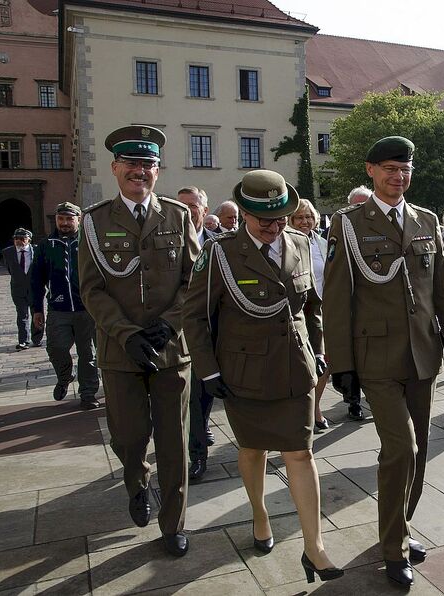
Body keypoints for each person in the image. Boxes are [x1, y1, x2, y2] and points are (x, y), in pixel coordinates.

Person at [323, 136, 444, 587]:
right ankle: (393, 549)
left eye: (405, 169)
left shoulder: (426, 220)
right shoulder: (348, 223)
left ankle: (400, 528)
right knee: (401, 449)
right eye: (389, 168)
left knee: (420, 452)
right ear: (370, 171)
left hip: (423, 353)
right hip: (375, 356)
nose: (398, 177)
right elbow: (336, 298)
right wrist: (342, 363)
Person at [183, 170, 342, 582]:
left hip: (294, 367)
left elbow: (312, 307)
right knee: (253, 451)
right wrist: (208, 369)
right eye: (264, 222)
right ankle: (259, 514)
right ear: (247, 214)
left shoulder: (303, 244)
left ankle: (315, 547)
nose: (274, 228)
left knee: (301, 453)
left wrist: (319, 350)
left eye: (281, 220)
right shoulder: (218, 253)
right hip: (243, 371)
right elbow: (195, 316)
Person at [78, 125, 199, 557]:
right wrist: (127, 335)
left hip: (170, 352)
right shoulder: (94, 222)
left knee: (174, 442)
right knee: (129, 437)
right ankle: (136, 481)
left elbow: (192, 280)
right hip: (120, 351)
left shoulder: (178, 216)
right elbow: (92, 290)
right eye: (131, 164)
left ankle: (174, 522)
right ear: (115, 168)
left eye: (147, 165)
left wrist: (169, 324)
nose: (139, 171)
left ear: (157, 171)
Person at [30, 202, 100, 409]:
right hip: (58, 308)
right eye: (61, 219)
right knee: (56, 348)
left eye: (69, 218)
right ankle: (64, 376)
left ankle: (88, 393)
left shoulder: (88, 242)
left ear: (78, 219)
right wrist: (36, 309)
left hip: (86, 308)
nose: (65, 223)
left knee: (88, 354)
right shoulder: (46, 245)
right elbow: (36, 279)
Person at [176, 186, 218, 481]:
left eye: (192, 206)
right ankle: (190, 453)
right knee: (182, 401)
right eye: (181, 206)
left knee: (202, 398)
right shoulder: (165, 242)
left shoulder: (221, 244)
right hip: (174, 334)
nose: (187, 211)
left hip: (210, 334)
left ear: (204, 210)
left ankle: (198, 451)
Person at [289, 199, 332, 433]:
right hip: (299, 311)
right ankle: (302, 411)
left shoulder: (323, 244)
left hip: (323, 310)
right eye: (299, 218)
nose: (305, 222)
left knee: (324, 362)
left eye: (308, 217)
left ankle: (315, 407)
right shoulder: (285, 243)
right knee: (303, 364)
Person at [337, 185, 373, 422]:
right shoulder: (342, 230)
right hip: (350, 311)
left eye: (364, 204)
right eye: (356, 204)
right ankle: (354, 402)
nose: (361, 209)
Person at [3, 228, 43, 350]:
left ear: (29, 240)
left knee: (37, 313)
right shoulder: (7, 252)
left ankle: (37, 339)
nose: (19, 241)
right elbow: (9, 268)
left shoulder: (37, 250)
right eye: (16, 239)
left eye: (22, 238)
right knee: (22, 315)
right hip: (18, 288)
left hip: (35, 288)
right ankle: (23, 340)